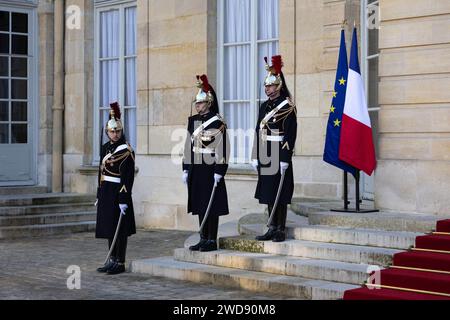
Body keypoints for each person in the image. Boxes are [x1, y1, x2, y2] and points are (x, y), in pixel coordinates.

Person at [252, 55, 297, 242]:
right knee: (269, 191)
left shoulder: (288, 106)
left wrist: (286, 157)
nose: (267, 89)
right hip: (265, 152)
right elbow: (258, 130)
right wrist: (255, 154)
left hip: (279, 151)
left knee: (281, 191)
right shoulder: (264, 106)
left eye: (270, 86)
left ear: (278, 86)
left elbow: (291, 132)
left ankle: (280, 228)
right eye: (266, 86)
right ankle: (271, 226)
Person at [182, 75, 229, 252]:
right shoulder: (193, 120)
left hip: (210, 166)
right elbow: (188, 146)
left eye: (201, 103)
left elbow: (224, 148)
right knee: (201, 203)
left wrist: (220, 170)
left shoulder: (218, 122)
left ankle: (211, 239)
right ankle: (202, 237)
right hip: (196, 165)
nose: (197, 106)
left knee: (212, 204)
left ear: (209, 103)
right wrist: (185, 168)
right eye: (196, 103)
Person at [95, 102, 136, 274]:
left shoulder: (126, 150)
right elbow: (101, 171)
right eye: (112, 131)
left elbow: (128, 177)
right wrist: (98, 194)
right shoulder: (105, 148)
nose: (115, 134)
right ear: (107, 132)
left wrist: (123, 198)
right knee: (110, 227)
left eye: (118, 131)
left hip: (118, 192)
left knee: (120, 230)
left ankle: (120, 262)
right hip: (106, 191)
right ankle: (111, 258)